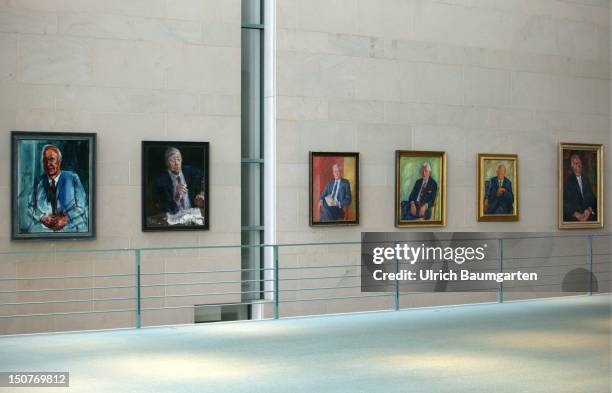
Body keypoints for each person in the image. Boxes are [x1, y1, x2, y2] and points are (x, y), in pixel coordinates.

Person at [27, 145, 88, 232]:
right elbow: (30, 206)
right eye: (45, 160)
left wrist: (65, 219)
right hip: (44, 229)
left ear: (59, 161)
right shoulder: (38, 182)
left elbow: (81, 205)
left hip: (71, 227)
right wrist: (42, 217)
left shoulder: (73, 178)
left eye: (51, 159)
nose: (48, 164)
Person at [155, 147, 205, 215]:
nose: (177, 163)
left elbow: (205, 176)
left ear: (181, 159)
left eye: (178, 159)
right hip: (175, 217)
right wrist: (176, 198)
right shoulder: (161, 181)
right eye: (172, 160)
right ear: (167, 163)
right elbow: (164, 207)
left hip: (192, 212)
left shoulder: (190, 170)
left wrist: (202, 192)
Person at [563, 153, 597, 222]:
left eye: (580, 163)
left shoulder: (586, 179)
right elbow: (565, 203)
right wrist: (576, 214)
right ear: (572, 166)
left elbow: (593, 199)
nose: (579, 165)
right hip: (574, 218)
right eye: (576, 163)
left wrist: (589, 210)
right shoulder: (568, 181)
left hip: (588, 216)